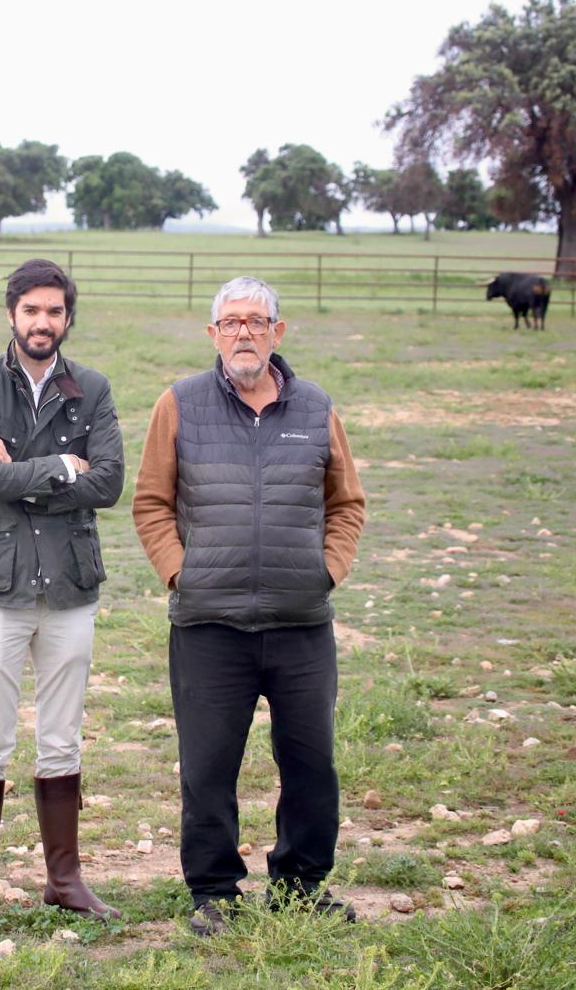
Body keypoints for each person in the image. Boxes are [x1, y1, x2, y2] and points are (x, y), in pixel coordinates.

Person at [131, 276, 366, 935]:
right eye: (230, 322)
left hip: (300, 624)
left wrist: (327, 570)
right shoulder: (177, 404)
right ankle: (215, 893)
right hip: (209, 624)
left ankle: (300, 886)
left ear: (277, 332)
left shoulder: (315, 407)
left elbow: (346, 503)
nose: (243, 332)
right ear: (212, 334)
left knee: (311, 762)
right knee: (208, 767)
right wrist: (182, 574)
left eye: (256, 321)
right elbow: (150, 502)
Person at [0, 258, 125, 933]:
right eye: (31, 311)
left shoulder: (93, 390)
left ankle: (64, 879)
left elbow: (107, 483)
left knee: (62, 737)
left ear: (67, 318)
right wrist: (57, 466)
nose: (42, 322)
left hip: (70, 585)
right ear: (11, 314)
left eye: (54, 311)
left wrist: (20, 471)